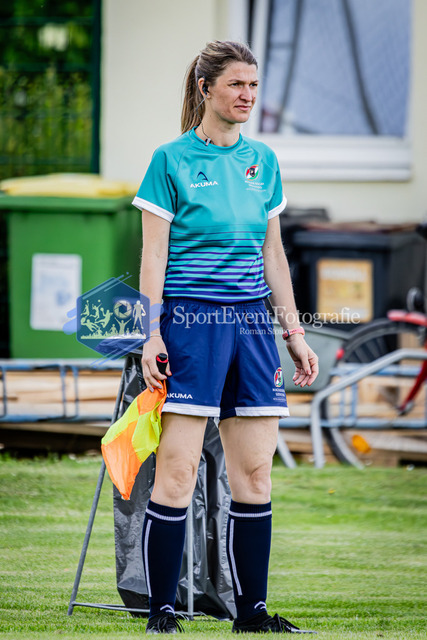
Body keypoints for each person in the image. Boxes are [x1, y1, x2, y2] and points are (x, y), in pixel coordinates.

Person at [133, 40, 319, 635]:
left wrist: (294, 332)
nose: (247, 96)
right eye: (237, 84)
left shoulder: (264, 160)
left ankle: (252, 614)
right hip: (191, 324)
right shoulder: (170, 160)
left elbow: (274, 255)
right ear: (206, 87)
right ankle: (162, 611)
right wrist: (150, 333)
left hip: (253, 326)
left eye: (254, 85)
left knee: (256, 475)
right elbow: (153, 255)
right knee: (178, 472)